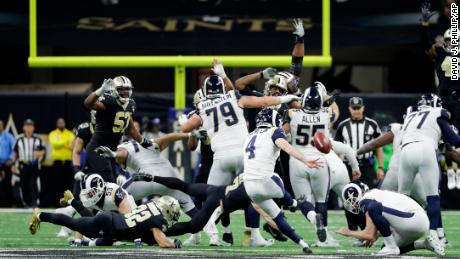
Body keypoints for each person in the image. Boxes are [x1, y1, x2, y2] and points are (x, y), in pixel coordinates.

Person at [180, 59, 300, 244]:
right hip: (244, 155)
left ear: (204, 93)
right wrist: (286, 98)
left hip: (220, 158)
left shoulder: (202, 108)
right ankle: (256, 236)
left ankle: (197, 236)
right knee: (252, 195)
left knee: (209, 198)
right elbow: (261, 100)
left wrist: (186, 124)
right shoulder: (234, 97)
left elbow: (185, 128)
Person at [242, 108, 322, 254]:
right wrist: (305, 160)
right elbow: (286, 147)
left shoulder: (249, 136)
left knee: (277, 216)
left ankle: (303, 244)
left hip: (249, 186)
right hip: (267, 181)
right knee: (279, 181)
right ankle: (294, 204)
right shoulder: (273, 131)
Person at [399, 93, 460, 252]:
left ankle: (395, 235)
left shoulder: (411, 115)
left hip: (405, 151)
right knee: (433, 196)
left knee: (401, 197)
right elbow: (454, 140)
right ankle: (433, 235)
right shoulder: (438, 113)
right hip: (425, 149)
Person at [29, 196, 182, 249]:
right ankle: (40, 215)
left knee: (90, 227)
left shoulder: (150, 205)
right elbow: (162, 242)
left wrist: (169, 241)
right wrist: (174, 244)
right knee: (73, 223)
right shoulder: (157, 220)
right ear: (167, 210)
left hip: (113, 225)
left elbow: (154, 238)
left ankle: (72, 201)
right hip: (109, 225)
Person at [337, 181, 443, 256]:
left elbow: (368, 234)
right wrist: (375, 235)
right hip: (415, 222)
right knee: (385, 248)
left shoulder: (367, 200)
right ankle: (424, 244)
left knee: (374, 208)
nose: (353, 204)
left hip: (413, 219)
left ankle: (392, 247)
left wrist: (348, 232)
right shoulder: (374, 196)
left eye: (351, 201)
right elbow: (376, 231)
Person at [283, 87, 332, 244]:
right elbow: (333, 107)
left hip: (298, 160)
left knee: (303, 201)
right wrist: (327, 97)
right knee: (321, 201)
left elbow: (284, 131)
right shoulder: (327, 113)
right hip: (319, 161)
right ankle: (323, 240)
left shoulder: (292, 113)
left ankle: (313, 220)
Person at [83, 76, 155, 183]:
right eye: (121, 89)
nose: (125, 92)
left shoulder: (131, 104)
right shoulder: (109, 101)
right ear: (114, 90)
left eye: (127, 89)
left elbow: (132, 130)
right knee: (110, 186)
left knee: (114, 185)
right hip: (97, 149)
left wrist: (144, 142)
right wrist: (100, 91)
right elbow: (88, 103)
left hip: (112, 152)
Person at [334, 97, 384, 188]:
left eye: (358, 108)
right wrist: (338, 166)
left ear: (363, 108)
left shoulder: (372, 124)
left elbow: (379, 147)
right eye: (354, 108)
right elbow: (337, 149)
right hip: (348, 166)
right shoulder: (343, 125)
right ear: (349, 109)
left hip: (367, 166)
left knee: (368, 194)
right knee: (349, 193)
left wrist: (380, 167)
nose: (356, 111)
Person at [12, 119, 45, 207]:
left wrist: (39, 153)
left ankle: (34, 202)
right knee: (23, 184)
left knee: (34, 184)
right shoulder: (19, 139)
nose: (29, 128)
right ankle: (26, 202)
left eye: (30, 126)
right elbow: (15, 153)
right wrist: (13, 164)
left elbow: (43, 151)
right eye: (27, 126)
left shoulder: (37, 139)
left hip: (33, 164)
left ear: (33, 128)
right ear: (23, 127)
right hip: (23, 164)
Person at [48, 118, 75, 207]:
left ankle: (69, 203)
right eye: (59, 122)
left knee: (68, 183)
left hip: (68, 162)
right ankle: (56, 203)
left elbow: (72, 145)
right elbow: (54, 144)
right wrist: (65, 143)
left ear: (64, 123)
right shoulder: (53, 133)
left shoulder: (70, 133)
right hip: (57, 162)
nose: (61, 124)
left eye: (62, 122)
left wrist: (61, 143)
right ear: (56, 124)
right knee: (57, 183)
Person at [0, 120, 16, 207]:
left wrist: (10, 159)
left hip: (6, 164)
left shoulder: (9, 137)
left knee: (7, 183)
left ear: (3, 126)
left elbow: (14, 150)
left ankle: (8, 203)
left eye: (0, 125)